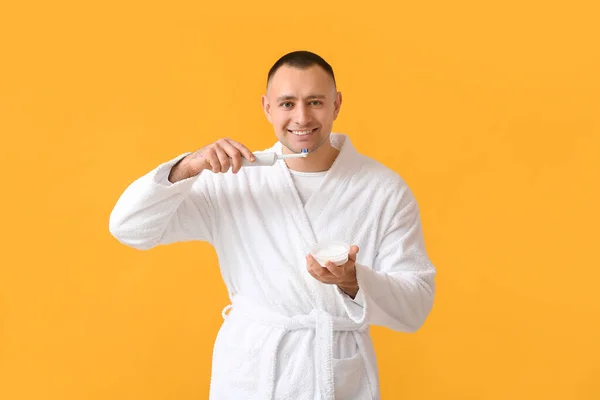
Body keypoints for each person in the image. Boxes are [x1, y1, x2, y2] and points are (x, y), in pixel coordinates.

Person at [109, 50, 436, 400]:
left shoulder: (382, 189)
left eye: (315, 102)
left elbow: (416, 305)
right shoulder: (232, 181)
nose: (301, 117)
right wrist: (187, 168)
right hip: (252, 374)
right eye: (286, 104)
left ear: (337, 104)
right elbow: (129, 227)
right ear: (266, 107)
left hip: (337, 376)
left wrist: (354, 282)